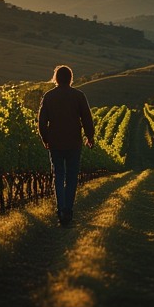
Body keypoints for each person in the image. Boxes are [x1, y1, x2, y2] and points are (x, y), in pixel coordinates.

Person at [37, 65, 95, 226]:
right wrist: (90, 137)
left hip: (55, 143)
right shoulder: (79, 96)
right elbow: (87, 119)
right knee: (71, 177)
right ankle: (68, 210)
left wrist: (45, 138)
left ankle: (60, 209)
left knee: (58, 175)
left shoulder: (49, 96)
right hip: (74, 142)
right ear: (70, 78)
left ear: (56, 78)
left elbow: (41, 122)